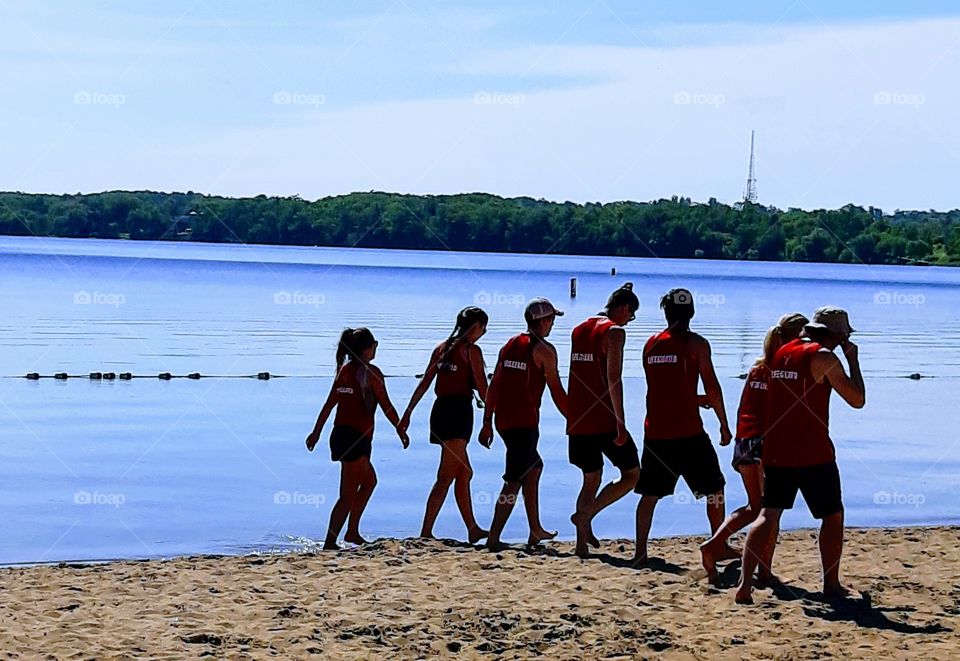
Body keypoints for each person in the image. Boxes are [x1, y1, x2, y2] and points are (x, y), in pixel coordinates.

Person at [735, 307, 865, 605]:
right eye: (844, 335)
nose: (845, 340)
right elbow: (857, 399)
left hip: (776, 449)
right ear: (835, 334)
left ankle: (745, 585)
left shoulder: (781, 352)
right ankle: (831, 584)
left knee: (768, 514)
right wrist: (853, 360)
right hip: (813, 451)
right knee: (832, 516)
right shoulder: (823, 357)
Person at [699, 312, 808, 584]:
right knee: (770, 511)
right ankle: (763, 570)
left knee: (755, 507)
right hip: (763, 444)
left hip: (744, 442)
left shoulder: (757, 368)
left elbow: (745, 409)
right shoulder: (783, 372)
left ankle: (716, 543)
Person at [633, 288, 733, 566]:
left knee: (649, 495)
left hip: (655, 431)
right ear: (691, 312)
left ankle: (640, 552)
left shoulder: (650, 343)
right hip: (688, 433)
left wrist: (692, 397)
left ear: (666, 312)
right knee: (715, 489)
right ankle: (718, 544)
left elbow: (664, 388)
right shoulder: (697, 344)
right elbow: (712, 386)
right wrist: (724, 424)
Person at [305, 327, 409, 550]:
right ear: (365, 349)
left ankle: (352, 532)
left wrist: (316, 432)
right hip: (356, 438)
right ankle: (330, 543)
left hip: (340, 435)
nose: (376, 349)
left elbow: (328, 405)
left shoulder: (344, 370)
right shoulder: (371, 374)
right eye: (374, 345)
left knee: (369, 481)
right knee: (347, 495)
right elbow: (386, 405)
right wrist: (400, 428)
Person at [481, 298, 568, 550]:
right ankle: (494, 537)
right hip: (524, 423)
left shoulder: (510, 344)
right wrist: (574, 419)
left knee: (534, 468)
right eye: (551, 319)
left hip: (504, 421)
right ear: (542, 322)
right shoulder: (544, 350)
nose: (553, 324)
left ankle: (535, 529)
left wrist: (487, 421)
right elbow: (557, 391)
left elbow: (494, 385)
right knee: (513, 480)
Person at [400, 307, 490, 543]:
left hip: (439, 411)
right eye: (483, 328)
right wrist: (493, 416)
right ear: (475, 327)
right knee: (446, 476)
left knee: (464, 473)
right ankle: (426, 532)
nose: (484, 332)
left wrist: (408, 413)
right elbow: (483, 388)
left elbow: (425, 384)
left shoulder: (441, 348)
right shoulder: (471, 351)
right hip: (457, 413)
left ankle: (472, 528)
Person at [567, 283, 642, 558]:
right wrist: (621, 423)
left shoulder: (579, 328)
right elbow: (614, 379)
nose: (629, 322)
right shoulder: (614, 332)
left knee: (590, 478)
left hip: (578, 417)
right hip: (603, 418)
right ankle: (587, 515)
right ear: (624, 309)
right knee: (633, 474)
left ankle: (580, 542)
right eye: (631, 316)